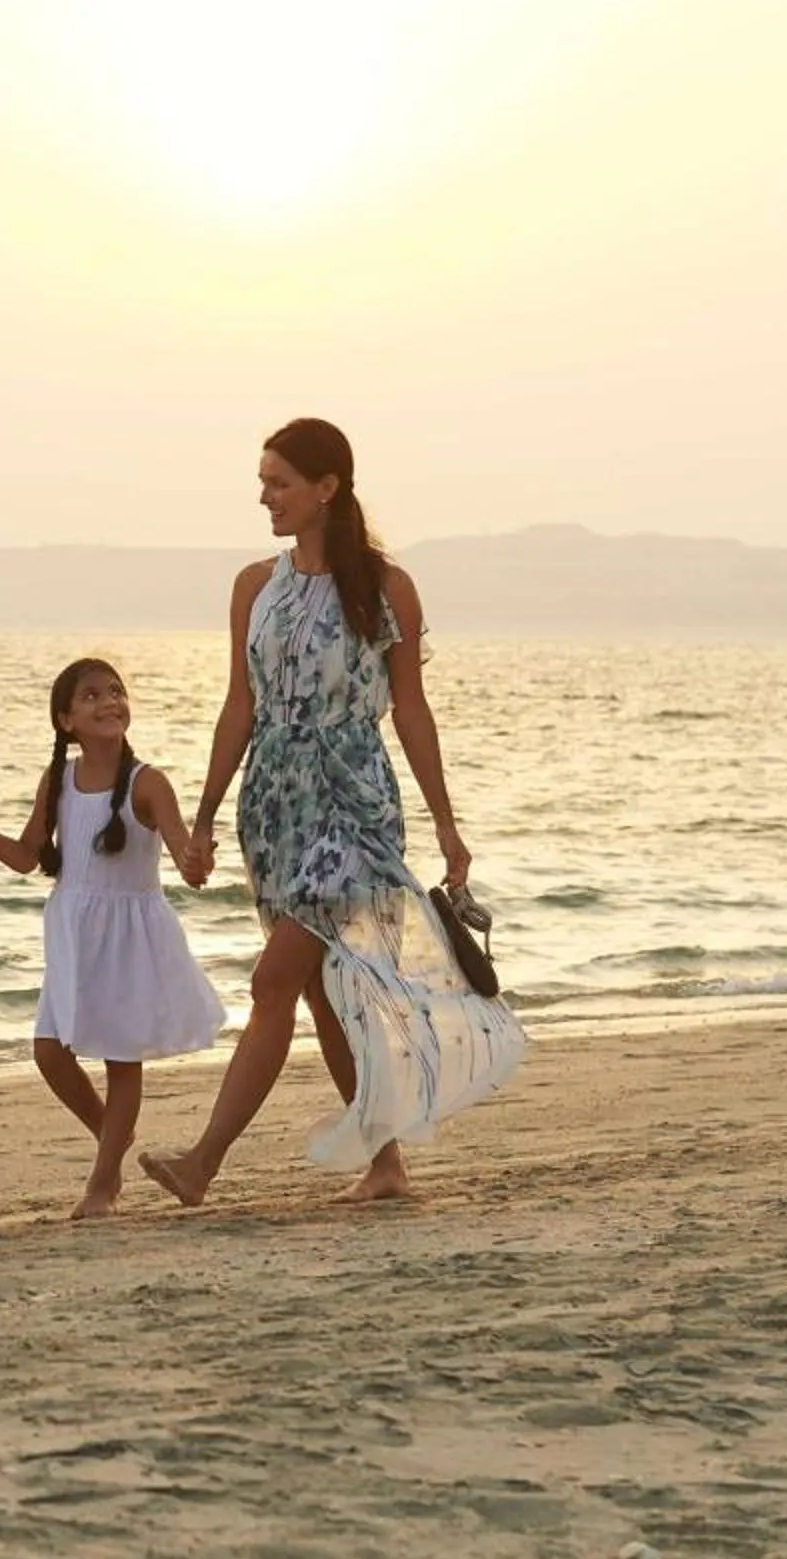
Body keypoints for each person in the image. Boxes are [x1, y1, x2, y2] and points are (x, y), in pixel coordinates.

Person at [142, 418, 527, 1208]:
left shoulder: (387, 588)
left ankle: (202, 1163)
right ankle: (387, 1165)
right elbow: (238, 706)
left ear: (327, 488)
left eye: (279, 482)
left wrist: (447, 824)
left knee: (274, 979)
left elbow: (412, 712)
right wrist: (208, 813)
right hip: (275, 806)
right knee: (322, 993)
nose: (265, 497)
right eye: (262, 481)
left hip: (352, 803)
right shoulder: (255, 585)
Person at [0, 657, 224, 1220]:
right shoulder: (58, 781)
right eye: (91, 696)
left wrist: (196, 860)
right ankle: (114, 1136)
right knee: (49, 1052)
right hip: (74, 931)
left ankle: (102, 1186)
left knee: (121, 1063)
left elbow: (182, 856)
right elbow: (28, 857)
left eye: (116, 691)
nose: (109, 702)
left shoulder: (146, 783)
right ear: (66, 720)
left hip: (129, 935)